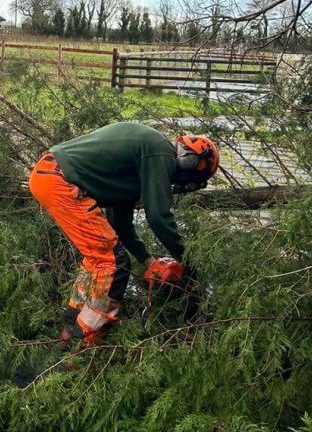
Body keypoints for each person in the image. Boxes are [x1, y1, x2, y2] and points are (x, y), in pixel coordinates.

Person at [28, 123, 219, 346]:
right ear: (190, 162)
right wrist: (189, 262)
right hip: (61, 179)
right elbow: (158, 217)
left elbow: (121, 226)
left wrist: (149, 262)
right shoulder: (160, 153)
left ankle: (68, 334)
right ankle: (86, 346)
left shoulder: (139, 166)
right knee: (113, 263)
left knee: (98, 260)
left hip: (49, 174)